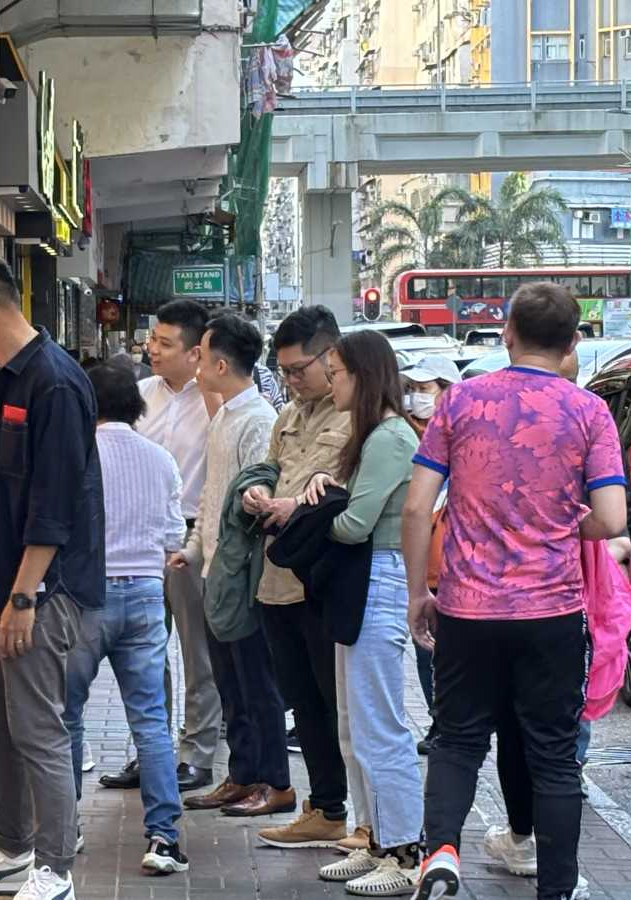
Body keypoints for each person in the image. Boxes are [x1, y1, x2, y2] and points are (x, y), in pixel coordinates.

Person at [406, 281, 627, 900]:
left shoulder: (460, 401)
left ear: (506, 333)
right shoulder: (589, 412)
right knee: (554, 756)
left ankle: (441, 852)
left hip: (467, 609)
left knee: (456, 739)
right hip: (552, 612)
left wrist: (418, 594)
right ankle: (556, 888)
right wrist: (554, 522)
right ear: (572, 342)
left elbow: (417, 506)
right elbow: (611, 518)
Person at [0, 251, 105, 900]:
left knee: (37, 728)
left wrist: (24, 597)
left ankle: (54, 869)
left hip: (40, 592)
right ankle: (11, 849)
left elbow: (53, 505)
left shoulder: (54, 384)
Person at [302, 331, 425, 894]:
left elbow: (354, 524)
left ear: (363, 375)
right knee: (355, 724)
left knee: (378, 724)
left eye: (337, 374)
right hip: (364, 581)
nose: (331, 384)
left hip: (379, 577)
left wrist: (310, 519)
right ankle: (375, 838)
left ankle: (405, 851)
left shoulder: (389, 437)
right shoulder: (376, 435)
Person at [241, 305, 362, 847]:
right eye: (284, 371)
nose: (291, 380)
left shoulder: (358, 416)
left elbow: (353, 497)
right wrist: (258, 491)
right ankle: (326, 807)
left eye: (299, 369)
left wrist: (298, 507)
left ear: (331, 355)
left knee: (337, 703)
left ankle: (364, 819)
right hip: (277, 577)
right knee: (303, 701)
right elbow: (271, 468)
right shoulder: (287, 415)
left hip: (323, 580)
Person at [64, 363, 190, 876]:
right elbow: (174, 537)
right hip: (144, 593)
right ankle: (163, 838)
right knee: (151, 720)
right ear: (136, 407)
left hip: (84, 595)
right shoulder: (160, 459)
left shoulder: (74, 455)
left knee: (67, 715)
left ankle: (64, 827)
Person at [171, 314, 291, 816]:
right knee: (231, 684)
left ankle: (275, 782)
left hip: (245, 577)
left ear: (221, 364)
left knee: (257, 683)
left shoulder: (258, 420)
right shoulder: (223, 417)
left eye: (201, 355)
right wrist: (195, 550)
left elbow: (254, 497)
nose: (196, 364)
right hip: (216, 572)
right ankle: (242, 775)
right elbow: (212, 496)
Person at [101, 299, 221, 794]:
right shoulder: (140, 396)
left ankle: (197, 753)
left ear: (196, 353)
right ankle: (152, 752)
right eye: (152, 339)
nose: (152, 348)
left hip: (192, 536)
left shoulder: (215, 402)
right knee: (148, 654)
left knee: (197, 649)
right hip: (142, 540)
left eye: (164, 343)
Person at [399, 352, 462, 756]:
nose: (415, 398)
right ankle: (439, 721)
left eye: (424, 389)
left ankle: (454, 723)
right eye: (412, 389)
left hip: (457, 567)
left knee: (456, 656)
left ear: (447, 392)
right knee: (426, 652)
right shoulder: (403, 433)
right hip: (425, 568)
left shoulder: (460, 435)